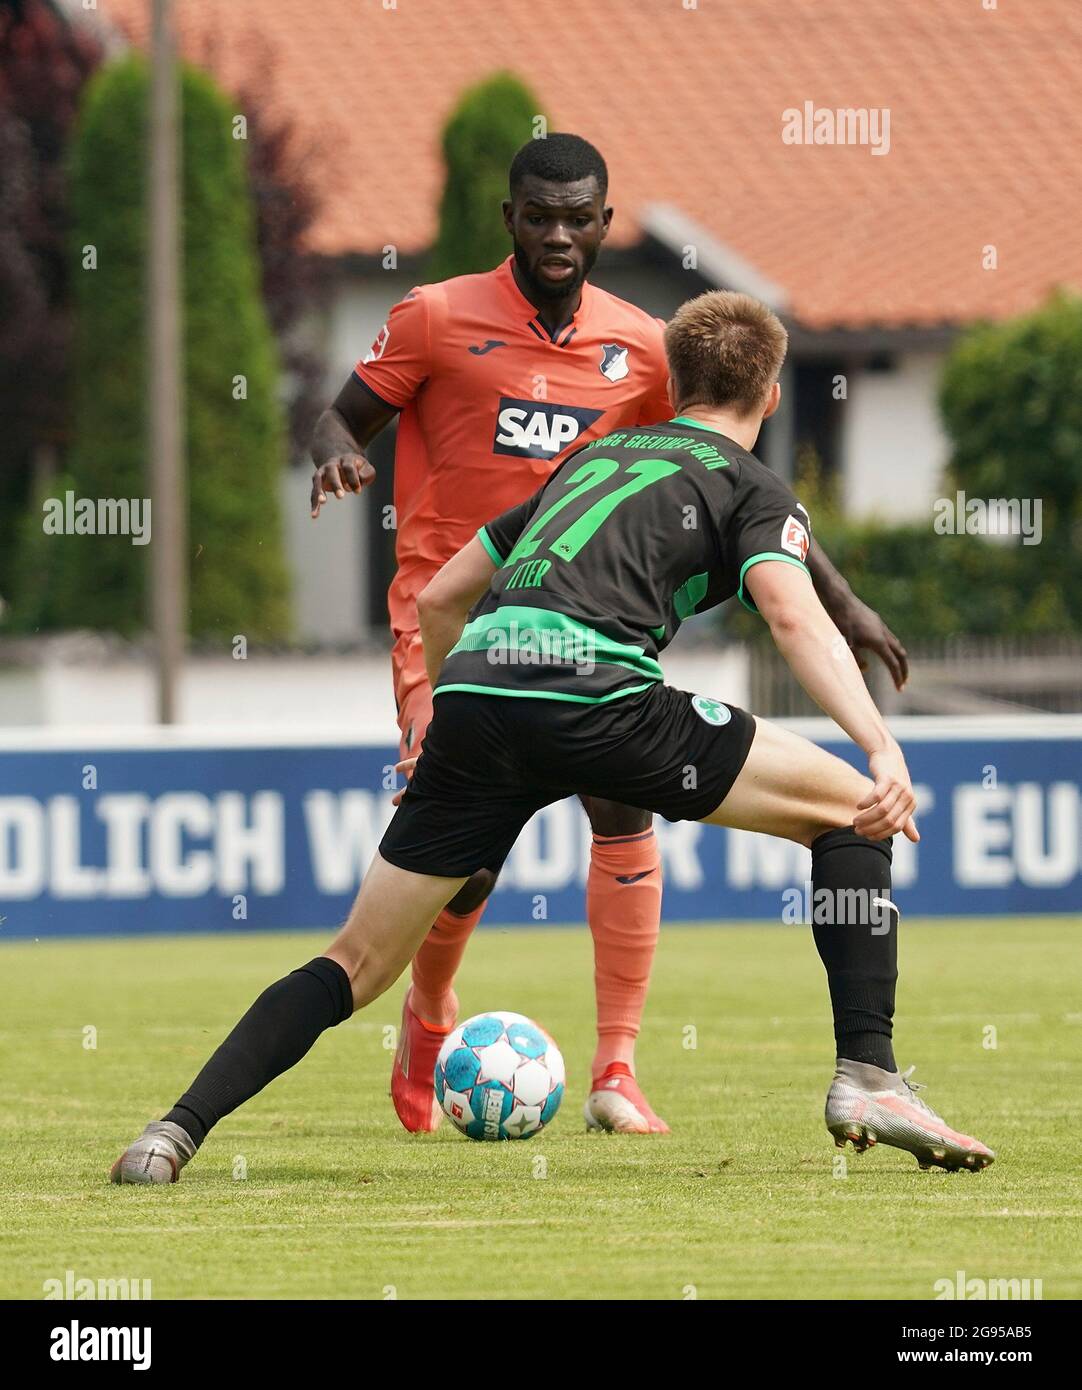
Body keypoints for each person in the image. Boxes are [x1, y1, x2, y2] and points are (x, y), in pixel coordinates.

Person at [111, 290, 991, 1185]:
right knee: (851, 813)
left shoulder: (591, 459)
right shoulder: (748, 486)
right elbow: (794, 618)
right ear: (769, 398)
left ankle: (171, 1133)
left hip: (483, 694)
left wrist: (451, 710)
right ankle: (868, 1074)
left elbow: (441, 598)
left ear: (674, 381)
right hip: (599, 697)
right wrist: (881, 746)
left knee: (356, 963)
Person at [307, 133, 910, 1137]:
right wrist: (335, 458)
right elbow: (337, 419)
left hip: (589, 622)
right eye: (537, 216)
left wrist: (840, 604)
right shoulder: (435, 318)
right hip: (450, 617)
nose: (555, 233)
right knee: (467, 855)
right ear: (508, 219)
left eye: (575, 217)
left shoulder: (642, 343)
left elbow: (734, 487)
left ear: (602, 223)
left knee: (622, 811)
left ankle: (615, 1067)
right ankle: (423, 1012)